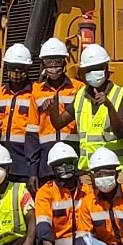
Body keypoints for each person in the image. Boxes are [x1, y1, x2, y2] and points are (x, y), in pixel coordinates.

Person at [33, 142, 85, 245]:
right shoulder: (46, 192)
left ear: (75, 163)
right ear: (52, 167)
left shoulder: (87, 190)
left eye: (68, 162)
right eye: (59, 164)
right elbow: (43, 224)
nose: (64, 167)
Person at [71, 44, 123, 172]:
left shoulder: (121, 94)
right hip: (87, 171)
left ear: (106, 69)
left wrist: (108, 105)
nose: (93, 73)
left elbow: (120, 132)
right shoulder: (80, 95)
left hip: (115, 169)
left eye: (97, 68)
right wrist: (52, 107)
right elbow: (59, 122)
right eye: (89, 69)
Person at [0, 43, 37, 184]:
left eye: (20, 68)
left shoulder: (35, 94)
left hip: (25, 164)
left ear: (28, 69)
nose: (16, 72)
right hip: (1, 161)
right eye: (12, 67)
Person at [31, 37, 79, 180]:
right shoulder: (36, 91)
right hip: (46, 157)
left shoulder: (78, 88)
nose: (53, 65)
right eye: (48, 61)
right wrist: (33, 171)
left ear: (64, 61)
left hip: (73, 153)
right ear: (43, 63)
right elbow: (32, 133)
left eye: (57, 61)